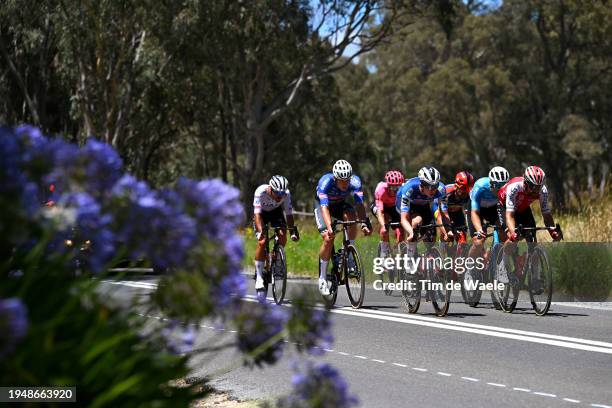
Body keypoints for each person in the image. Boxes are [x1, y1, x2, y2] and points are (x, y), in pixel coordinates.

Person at [314, 160, 371, 295]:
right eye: (342, 181)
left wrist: (363, 223)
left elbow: (359, 205)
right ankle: (322, 277)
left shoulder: (355, 182)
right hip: (322, 206)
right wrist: (330, 227)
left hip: (340, 204)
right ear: (335, 178)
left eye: (347, 180)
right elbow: (324, 208)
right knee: (328, 238)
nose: (345, 184)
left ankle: (348, 251)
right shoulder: (325, 182)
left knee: (351, 216)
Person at [253, 175, 299, 298]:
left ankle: (277, 256)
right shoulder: (260, 191)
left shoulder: (286, 194)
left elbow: (289, 214)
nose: (280, 196)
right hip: (262, 214)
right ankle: (259, 277)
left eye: (282, 193)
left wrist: (292, 231)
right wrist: (261, 231)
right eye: (277, 193)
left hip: (275, 213)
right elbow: (257, 215)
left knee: (283, 235)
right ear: (270, 189)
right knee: (262, 242)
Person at [396, 166, 449, 255]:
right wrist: (412, 233)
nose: (433, 190)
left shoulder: (441, 189)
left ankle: (428, 260)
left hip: (423, 205)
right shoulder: (410, 189)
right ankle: (409, 258)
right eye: (429, 186)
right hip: (406, 203)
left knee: (431, 238)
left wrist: (448, 230)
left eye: (435, 186)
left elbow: (444, 214)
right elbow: (404, 219)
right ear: (422, 185)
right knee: (416, 222)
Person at [467, 166, 510, 260]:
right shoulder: (480, 186)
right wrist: (479, 230)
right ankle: (469, 268)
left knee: (504, 234)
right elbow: (475, 212)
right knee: (479, 242)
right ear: (490, 183)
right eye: (497, 186)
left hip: (493, 208)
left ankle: (499, 263)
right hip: (477, 209)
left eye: (503, 186)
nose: (500, 189)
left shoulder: (506, 190)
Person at [433, 171, 475, 245]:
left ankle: (460, 254)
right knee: (447, 233)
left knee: (462, 238)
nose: (466, 192)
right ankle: (442, 246)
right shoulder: (447, 192)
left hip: (457, 211)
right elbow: (442, 216)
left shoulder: (470, 194)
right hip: (439, 209)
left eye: (469, 189)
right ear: (456, 186)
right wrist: (446, 231)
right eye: (464, 189)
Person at [371, 170, 405, 257]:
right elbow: (380, 212)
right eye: (393, 188)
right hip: (382, 207)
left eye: (398, 187)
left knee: (401, 232)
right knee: (384, 227)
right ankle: (384, 254)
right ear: (388, 186)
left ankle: (396, 252)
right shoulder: (381, 190)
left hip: (393, 207)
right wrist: (384, 225)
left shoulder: (403, 190)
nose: (396, 190)